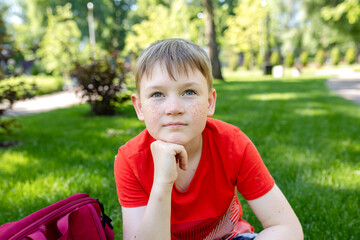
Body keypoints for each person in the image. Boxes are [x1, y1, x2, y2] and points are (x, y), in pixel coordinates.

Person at [114, 38, 303, 240]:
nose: (174, 109)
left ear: (210, 102)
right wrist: (162, 182)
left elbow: (287, 228)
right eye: (158, 94)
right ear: (140, 107)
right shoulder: (130, 161)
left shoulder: (232, 144)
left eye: (189, 92)